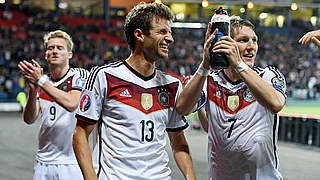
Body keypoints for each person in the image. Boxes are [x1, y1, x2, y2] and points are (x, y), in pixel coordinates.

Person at [72, 2, 196, 180]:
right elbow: (80, 133)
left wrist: (191, 177)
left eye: (170, 32)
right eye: (162, 32)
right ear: (139, 35)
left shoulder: (172, 85)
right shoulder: (104, 76)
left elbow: (178, 141)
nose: (170, 39)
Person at [176, 16, 287, 180]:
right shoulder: (210, 81)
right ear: (226, 44)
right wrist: (205, 63)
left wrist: (238, 64)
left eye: (254, 40)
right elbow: (184, 109)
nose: (251, 47)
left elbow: (276, 103)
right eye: (243, 40)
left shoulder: (268, 75)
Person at [18, 30, 89, 180]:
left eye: (60, 48)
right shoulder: (42, 82)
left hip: (71, 162)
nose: (54, 51)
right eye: (50, 48)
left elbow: (72, 103)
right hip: (43, 162)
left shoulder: (79, 75)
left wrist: (41, 82)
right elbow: (29, 119)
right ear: (45, 55)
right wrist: (33, 90)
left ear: (69, 54)